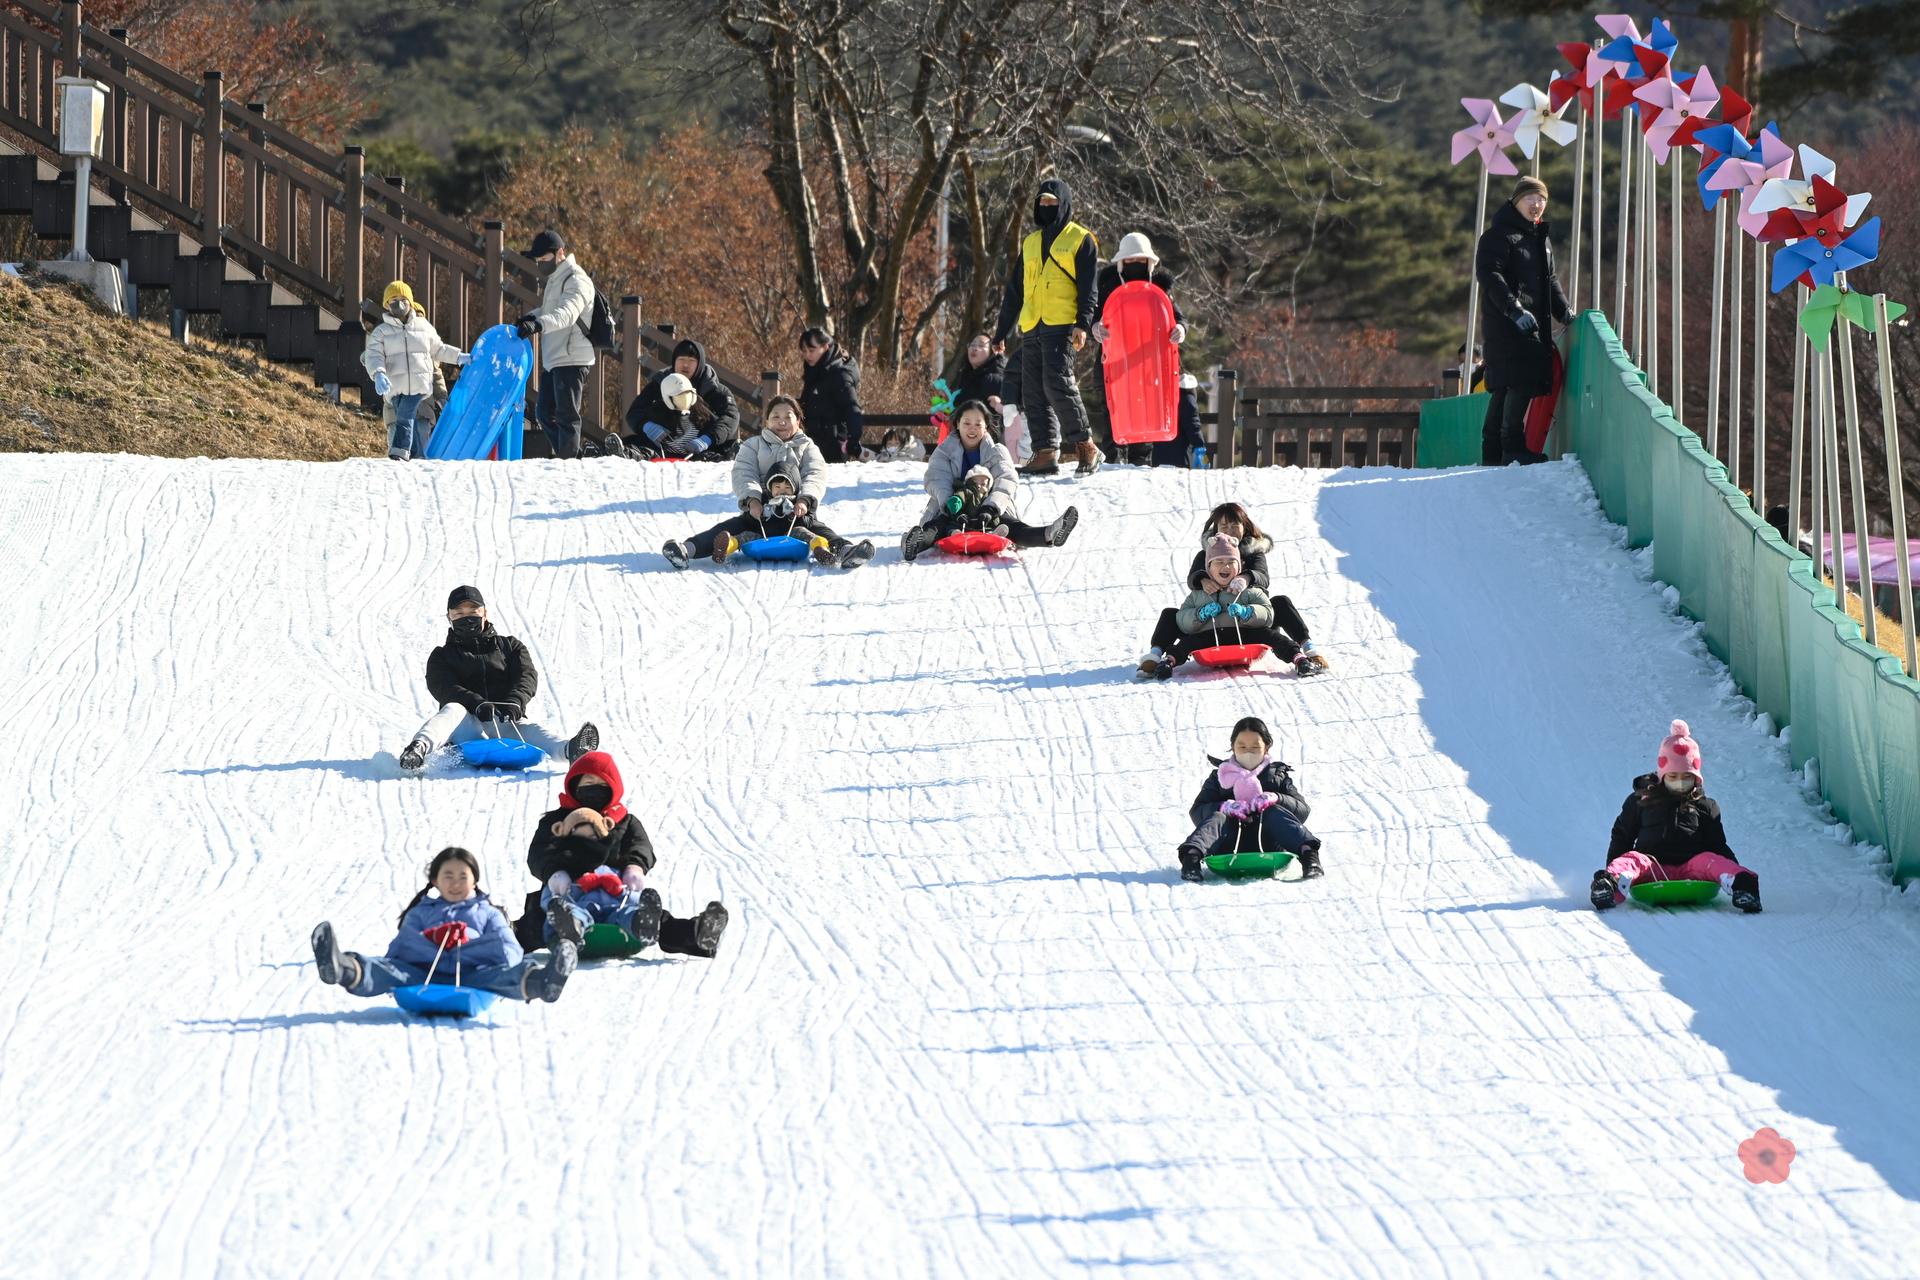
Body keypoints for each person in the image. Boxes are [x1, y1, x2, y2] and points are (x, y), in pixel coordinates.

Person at [513, 751, 732, 959]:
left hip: (617, 891)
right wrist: (554, 872)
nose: (594, 790)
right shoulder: (556, 820)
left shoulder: (625, 821)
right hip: (568, 888)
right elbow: (539, 852)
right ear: (574, 786)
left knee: (653, 918)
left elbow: (641, 845)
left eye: (601, 786)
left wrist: (634, 867)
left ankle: (697, 935)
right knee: (538, 922)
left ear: (613, 788)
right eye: (587, 784)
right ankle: (513, 937)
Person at [310, 847, 577, 1004]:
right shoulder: (421, 913)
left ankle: (546, 982)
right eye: (447, 876)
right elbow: (399, 951)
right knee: (385, 969)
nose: (455, 882)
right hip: (422, 975)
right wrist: (432, 939)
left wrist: (468, 942)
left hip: (475, 977)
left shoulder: (488, 913)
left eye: (463, 876)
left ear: (474, 880)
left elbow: (510, 951)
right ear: (435, 881)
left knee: (508, 974)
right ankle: (342, 967)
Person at [398, 585, 599, 771]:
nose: (466, 617)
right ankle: (418, 749)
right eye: (459, 613)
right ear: (449, 617)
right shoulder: (441, 655)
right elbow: (444, 687)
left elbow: (526, 676)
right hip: (466, 728)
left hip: (504, 721)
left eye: (473, 612)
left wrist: (515, 702)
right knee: (452, 708)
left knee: (531, 730)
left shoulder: (510, 647)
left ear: (485, 613)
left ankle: (569, 750)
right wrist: (476, 704)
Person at [662, 396, 874, 568]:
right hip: (760, 512)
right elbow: (745, 473)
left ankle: (845, 551)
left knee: (819, 530)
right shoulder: (753, 445)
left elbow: (815, 474)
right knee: (729, 527)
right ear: (767, 421)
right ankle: (686, 550)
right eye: (775, 416)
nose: (781, 421)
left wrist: (805, 500)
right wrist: (753, 500)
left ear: (798, 421)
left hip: (796, 513)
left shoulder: (808, 447)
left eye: (787, 416)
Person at [1592, 720, 1762, 913]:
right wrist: (1613, 867)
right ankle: (1608, 886)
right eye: (1673, 777)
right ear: (1662, 774)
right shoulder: (1641, 801)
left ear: (1696, 778)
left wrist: (1732, 867)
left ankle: (1744, 887)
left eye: (1686, 777)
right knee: (1633, 859)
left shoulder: (1706, 806)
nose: (1680, 783)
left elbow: (1718, 845)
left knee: (1711, 859)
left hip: (1692, 867)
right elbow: (1622, 836)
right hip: (1651, 866)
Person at [993, 178, 1101, 477]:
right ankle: (1044, 452)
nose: (1048, 207)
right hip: (1032, 324)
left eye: (1053, 203)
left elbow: (1088, 287)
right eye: (1043, 203)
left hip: (1063, 323)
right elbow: (1015, 290)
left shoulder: (1081, 238)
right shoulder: (1029, 243)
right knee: (1033, 391)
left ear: (1064, 204)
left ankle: (1086, 445)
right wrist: (1001, 331)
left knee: (1058, 383)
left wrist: (1083, 322)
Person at [1150, 503, 1326, 674]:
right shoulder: (1206, 553)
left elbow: (1263, 577)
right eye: (1224, 526)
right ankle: (1154, 657)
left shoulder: (1254, 552)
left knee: (1281, 602)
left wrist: (1246, 577)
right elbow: (1192, 578)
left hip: (1251, 616)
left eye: (1235, 525)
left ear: (1245, 526)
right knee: (1171, 614)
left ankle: (1310, 650)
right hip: (1213, 620)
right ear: (1215, 528)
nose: (1229, 530)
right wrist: (1202, 579)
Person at [900, 400, 1079, 562]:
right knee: (936, 526)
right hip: (952, 505)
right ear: (957, 425)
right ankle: (914, 542)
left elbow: (1006, 479)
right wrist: (951, 505)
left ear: (986, 427)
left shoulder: (997, 451)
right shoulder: (943, 451)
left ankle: (1048, 534)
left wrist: (991, 506)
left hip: (990, 507)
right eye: (967, 423)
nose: (972, 429)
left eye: (978, 424)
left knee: (1010, 525)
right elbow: (937, 479)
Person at [1475, 177, 1571, 467]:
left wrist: (1564, 312)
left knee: (1508, 384)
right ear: (1515, 201)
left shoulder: (1540, 239)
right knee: (1516, 380)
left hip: (1532, 325)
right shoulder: (1497, 236)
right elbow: (1490, 276)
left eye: (1542, 199)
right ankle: (1512, 449)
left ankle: (1494, 453)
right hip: (1506, 324)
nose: (1537, 204)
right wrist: (1514, 309)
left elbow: (1549, 282)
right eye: (1530, 198)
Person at [1177, 717, 1323, 883]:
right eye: (1242, 746)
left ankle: (1309, 857)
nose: (1248, 752)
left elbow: (1302, 811)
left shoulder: (1277, 776)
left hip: (1269, 841)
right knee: (1219, 817)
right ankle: (1192, 860)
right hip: (1228, 844)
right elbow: (1197, 812)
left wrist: (1278, 798)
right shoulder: (1220, 777)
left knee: (1273, 811)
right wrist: (1223, 806)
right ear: (1233, 747)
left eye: (1255, 747)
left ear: (1266, 747)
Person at [511, 229, 598, 459]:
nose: (540, 264)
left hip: (572, 356)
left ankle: (568, 461)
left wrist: (538, 325)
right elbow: (550, 311)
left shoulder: (577, 280)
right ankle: (570, 456)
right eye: (538, 260)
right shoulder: (556, 279)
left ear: (560, 253)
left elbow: (567, 314)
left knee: (566, 415)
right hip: (556, 357)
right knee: (543, 412)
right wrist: (532, 316)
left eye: (544, 259)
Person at [362, 281, 468, 461]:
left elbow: (439, 350)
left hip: (420, 389)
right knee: (402, 419)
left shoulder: (424, 327)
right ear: (386, 305)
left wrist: (458, 357)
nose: (398, 303)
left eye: (403, 299)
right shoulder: (381, 332)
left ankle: (400, 452)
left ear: (410, 302)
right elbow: (372, 356)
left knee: (406, 416)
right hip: (395, 389)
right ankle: (412, 456)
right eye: (393, 300)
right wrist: (378, 373)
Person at [625, 338, 739, 460]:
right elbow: (635, 412)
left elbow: (730, 417)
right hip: (660, 446)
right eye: (681, 359)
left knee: (727, 451)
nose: (685, 365)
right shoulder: (659, 384)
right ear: (674, 362)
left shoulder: (715, 390)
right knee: (636, 446)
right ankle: (623, 452)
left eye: (691, 360)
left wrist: (708, 439)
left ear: (700, 363)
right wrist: (646, 426)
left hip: (701, 448)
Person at [798, 327, 866, 463]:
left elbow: (851, 407)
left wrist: (853, 439)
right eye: (804, 351)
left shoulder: (839, 375)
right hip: (813, 444)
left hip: (834, 447)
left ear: (825, 347)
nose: (808, 355)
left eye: (812, 350)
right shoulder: (813, 372)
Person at [951, 333, 1007, 415]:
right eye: (972, 344)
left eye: (981, 345)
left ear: (991, 353)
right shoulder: (965, 376)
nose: (975, 348)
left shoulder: (992, 379)